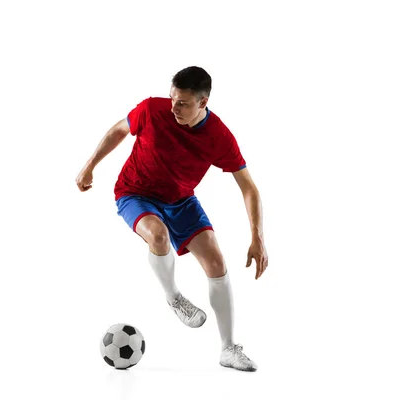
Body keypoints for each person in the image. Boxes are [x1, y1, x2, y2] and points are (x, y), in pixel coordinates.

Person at [75, 66, 268, 372]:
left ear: (203, 103)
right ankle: (174, 297)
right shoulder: (152, 110)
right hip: (134, 192)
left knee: (217, 262)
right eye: (172, 99)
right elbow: (119, 130)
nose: (174, 108)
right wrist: (89, 166)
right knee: (158, 234)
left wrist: (257, 238)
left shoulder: (218, 136)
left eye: (183, 103)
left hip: (180, 199)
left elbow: (248, 186)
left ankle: (228, 349)